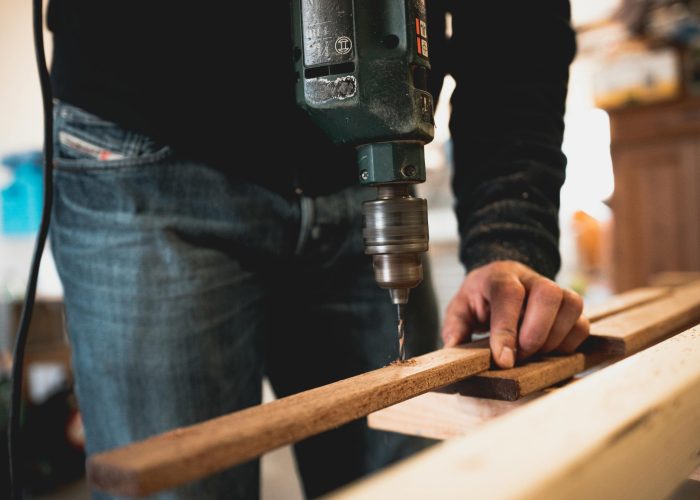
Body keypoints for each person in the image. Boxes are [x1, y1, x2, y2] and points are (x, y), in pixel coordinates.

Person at [46, 1, 589, 498]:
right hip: (144, 143)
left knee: (412, 482)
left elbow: (519, 24)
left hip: (355, 168)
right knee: (175, 481)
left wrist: (509, 233)